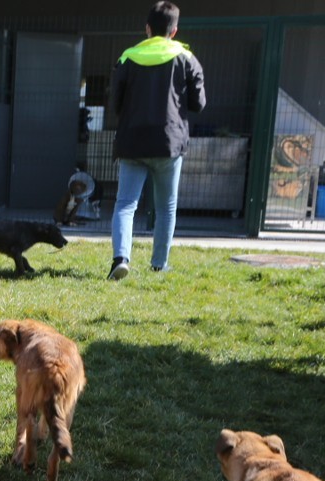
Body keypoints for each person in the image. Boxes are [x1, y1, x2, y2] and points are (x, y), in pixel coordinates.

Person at [107, 1, 206, 279]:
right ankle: (159, 264)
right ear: (174, 31)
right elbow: (199, 104)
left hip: (132, 142)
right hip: (169, 143)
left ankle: (120, 259)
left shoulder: (128, 57)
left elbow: (116, 103)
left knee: (126, 204)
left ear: (147, 28)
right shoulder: (186, 58)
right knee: (166, 207)